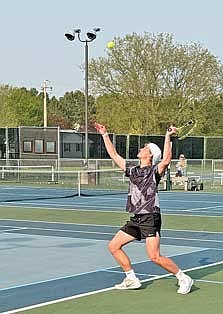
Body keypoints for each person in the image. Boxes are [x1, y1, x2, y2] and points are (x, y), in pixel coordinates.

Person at [95, 123, 193, 294]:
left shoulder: (155, 170)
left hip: (150, 217)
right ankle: (131, 278)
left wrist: (168, 137)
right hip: (137, 217)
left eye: (145, 148)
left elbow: (167, 159)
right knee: (113, 246)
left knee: (154, 256)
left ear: (150, 155)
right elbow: (114, 155)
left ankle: (184, 278)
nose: (141, 148)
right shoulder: (132, 170)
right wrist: (104, 135)